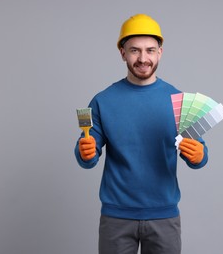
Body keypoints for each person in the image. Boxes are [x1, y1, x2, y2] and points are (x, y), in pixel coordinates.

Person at [74, 14, 209, 254]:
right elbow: (89, 152)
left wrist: (200, 155)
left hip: (164, 216)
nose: (143, 58)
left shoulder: (180, 101)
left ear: (160, 52)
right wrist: (85, 152)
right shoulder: (103, 101)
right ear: (122, 53)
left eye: (150, 50)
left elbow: (197, 154)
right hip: (116, 216)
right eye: (135, 50)